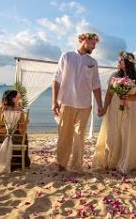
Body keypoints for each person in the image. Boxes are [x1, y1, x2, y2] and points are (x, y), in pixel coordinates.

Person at [52, 33, 105, 172]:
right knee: (65, 135)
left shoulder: (93, 62)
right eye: (92, 43)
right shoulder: (67, 56)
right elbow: (56, 80)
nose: (94, 46)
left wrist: (100, 105)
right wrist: (54, 102)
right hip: (66, 102)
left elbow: (96, 85)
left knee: (79, 136)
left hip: (85, 105)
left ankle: (76, 166)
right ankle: (62, 164)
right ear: (83, 40)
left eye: (95, 44)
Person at [93, 51, 136, 173]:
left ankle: (124, 161)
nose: (119, 62)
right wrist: (104, 108)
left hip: (129, 109)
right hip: (114, 108)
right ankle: (111, 161)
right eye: (119, 60)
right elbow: (109, 95)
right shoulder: (114, 75)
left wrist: (128, 97)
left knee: (126, 134)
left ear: (127, 63)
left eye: (121, 60)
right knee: (112, 133)